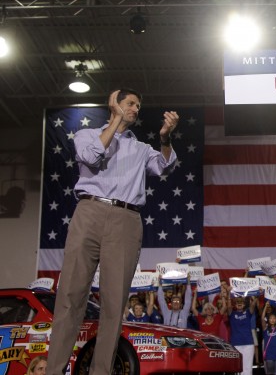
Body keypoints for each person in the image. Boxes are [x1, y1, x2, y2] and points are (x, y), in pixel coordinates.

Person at [46, 88, 179, 375]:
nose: (136, 109)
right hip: (89, 212)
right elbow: (92, 157)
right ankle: (53, 370)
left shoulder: (141, 148)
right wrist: (115, 122)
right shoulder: (87, 135)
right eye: (130, 103)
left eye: (138, 106)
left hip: (126, 220)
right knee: (70, 296)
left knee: (113, 303)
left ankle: (101, 372)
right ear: (114, 105)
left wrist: (166, 137)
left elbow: (164, 166)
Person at [227, 295, 259, 375]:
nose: (239, 304)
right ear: (235, 304)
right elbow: (228, 307)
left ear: (244, 304)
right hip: (236, 344)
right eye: (238, 302)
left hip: (248, 343)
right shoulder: (232, 314)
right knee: (237, 368)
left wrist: (257, 294)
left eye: (241, 302)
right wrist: (228, 294)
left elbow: (253, 305)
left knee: (247, 368)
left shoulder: (248, 313)